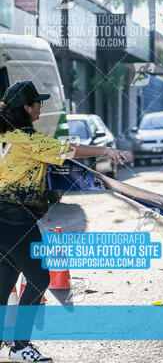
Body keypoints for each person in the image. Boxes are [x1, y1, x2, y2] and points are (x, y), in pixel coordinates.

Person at [0, 81, 132, 362]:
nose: (40, 107)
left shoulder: (6, 135)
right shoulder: (28, 140)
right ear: (26, 108)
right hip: (13, 216)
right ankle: (20, 345)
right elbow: (69, 149)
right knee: (38, 277)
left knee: (5, 280)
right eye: (37, 103)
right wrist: (106, 151)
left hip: (4, 216)